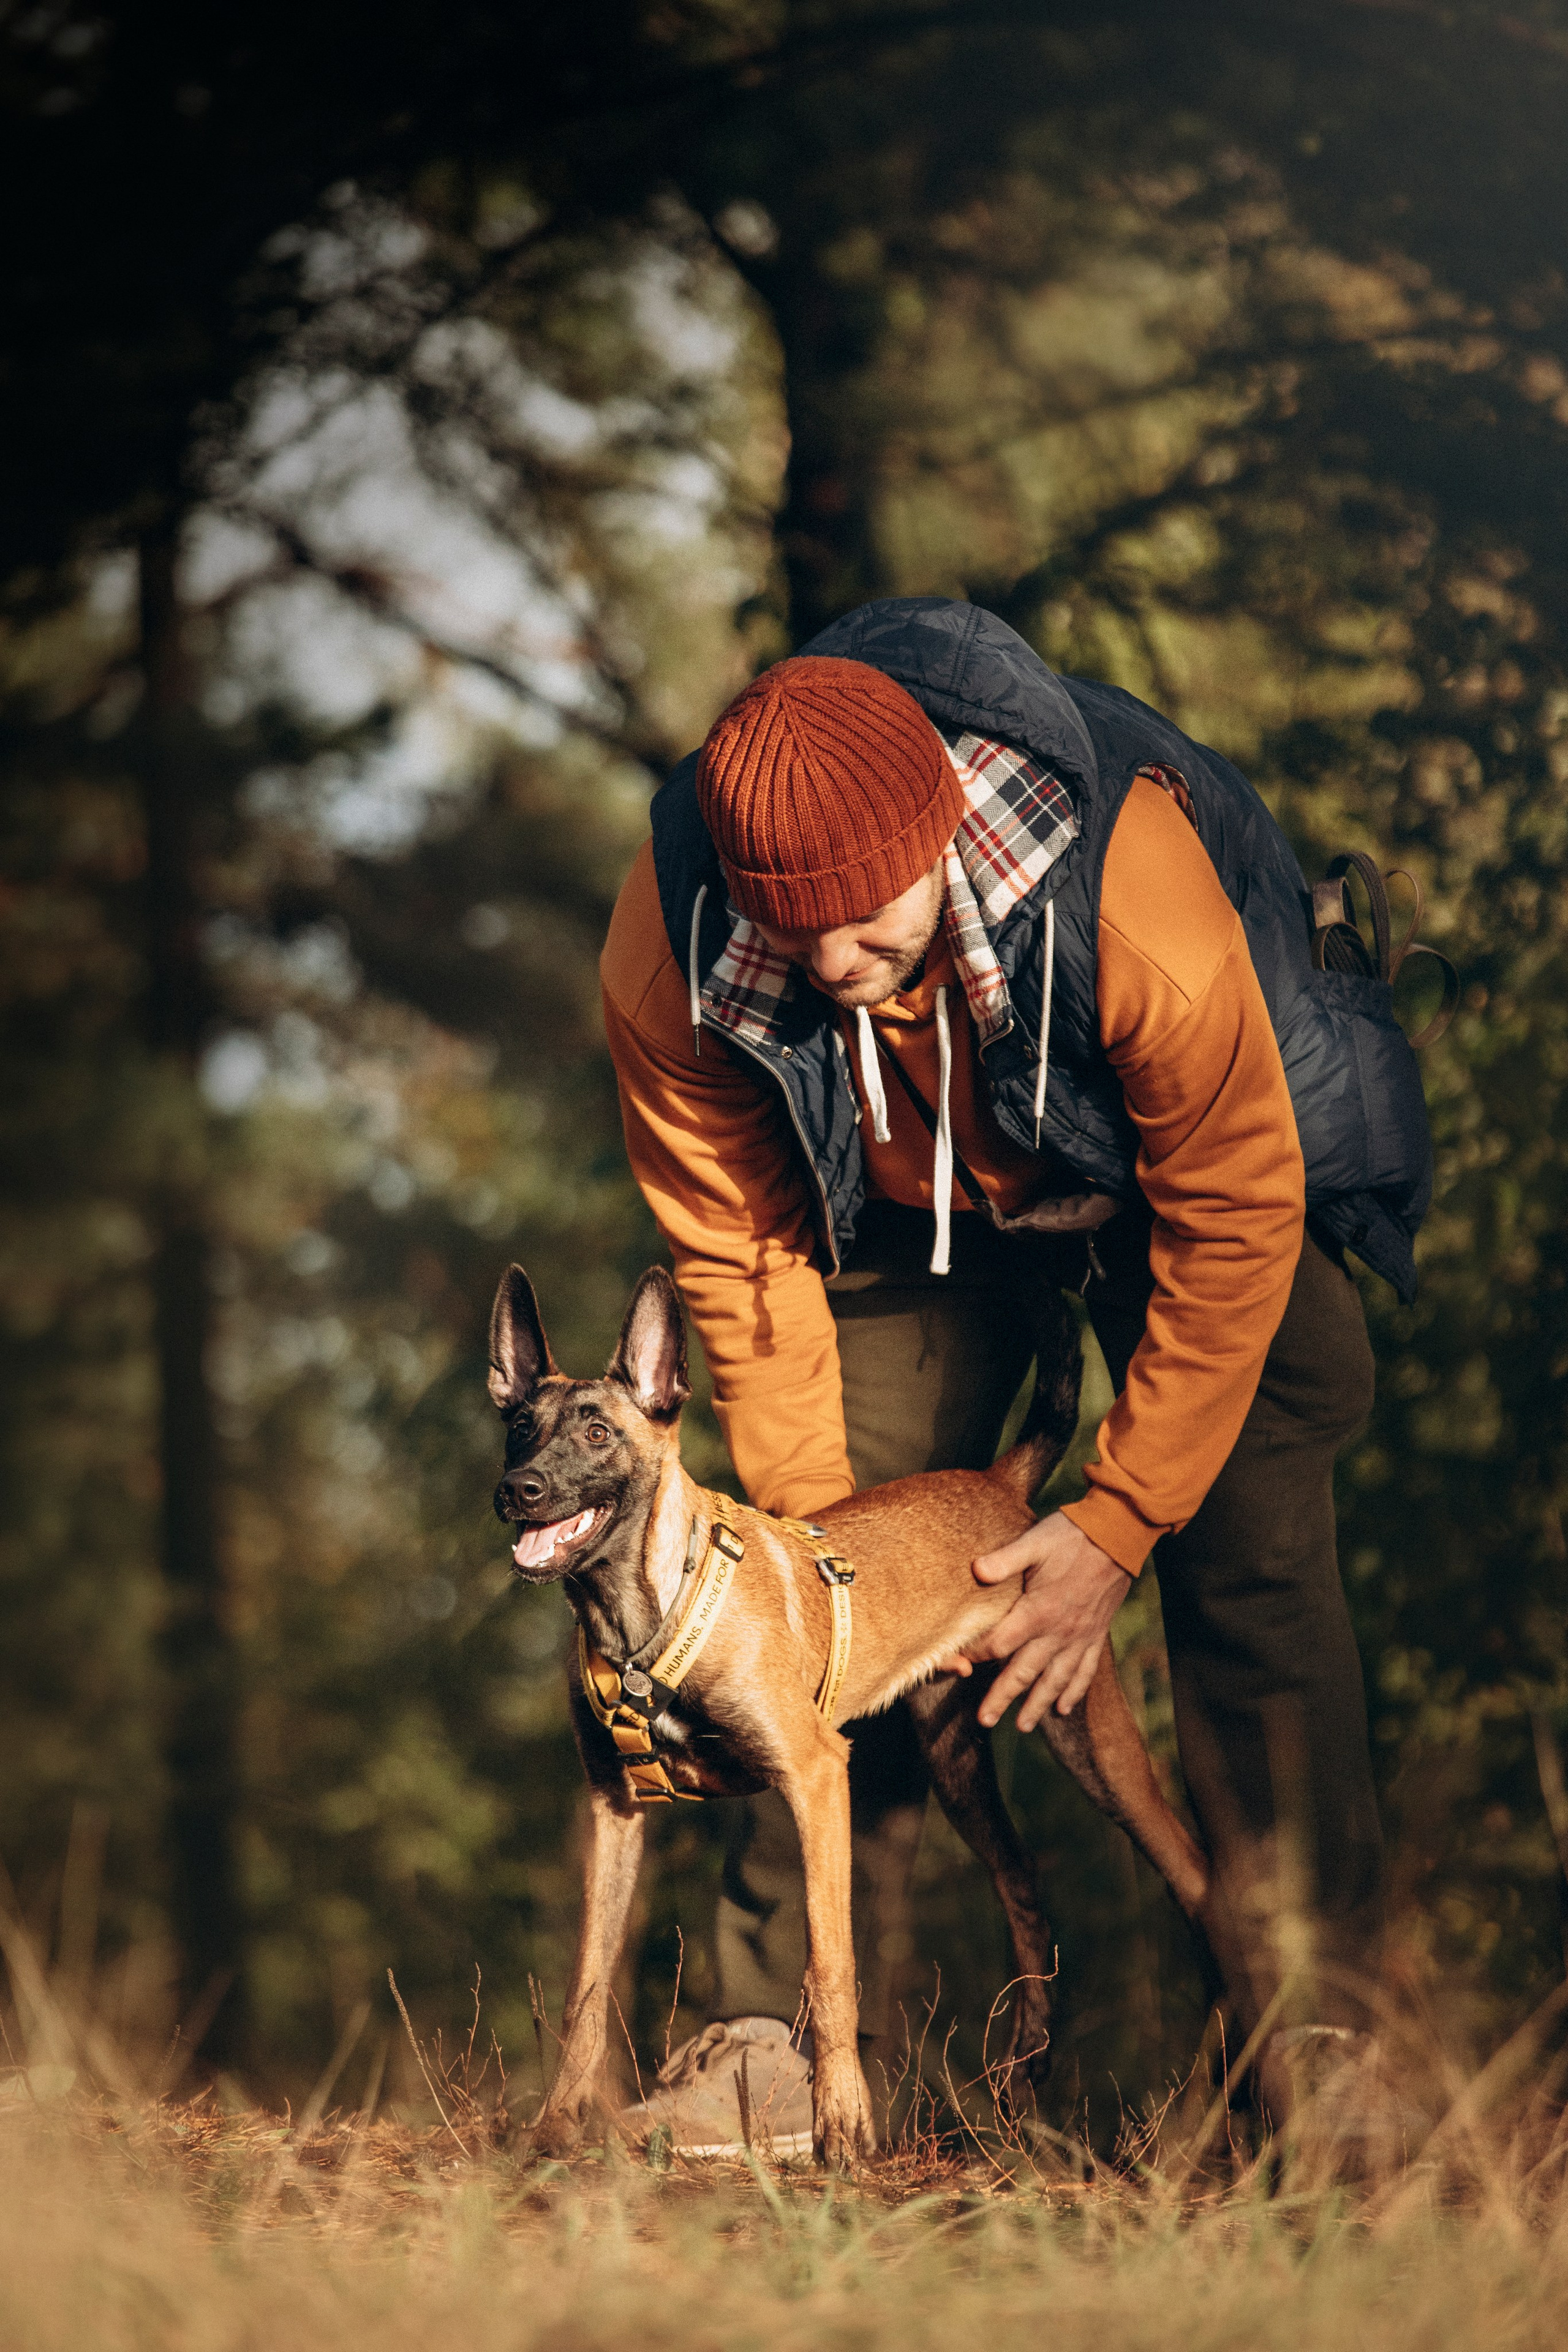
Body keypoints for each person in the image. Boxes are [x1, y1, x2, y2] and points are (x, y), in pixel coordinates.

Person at [597, 597, 1431, 2154]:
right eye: (799, 934)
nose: (835, 962)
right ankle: (775, 2039)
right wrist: (827, 1566)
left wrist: (1113, 1525)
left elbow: (1240, 1203)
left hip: (1176, 1179)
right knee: (813, 1589)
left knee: (1246, 1536)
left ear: (934, 834)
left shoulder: (1128, 893)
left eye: (867, 919)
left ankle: (1321, 2040)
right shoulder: (673, 940)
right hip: (901, 1211)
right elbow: (731, 1253)